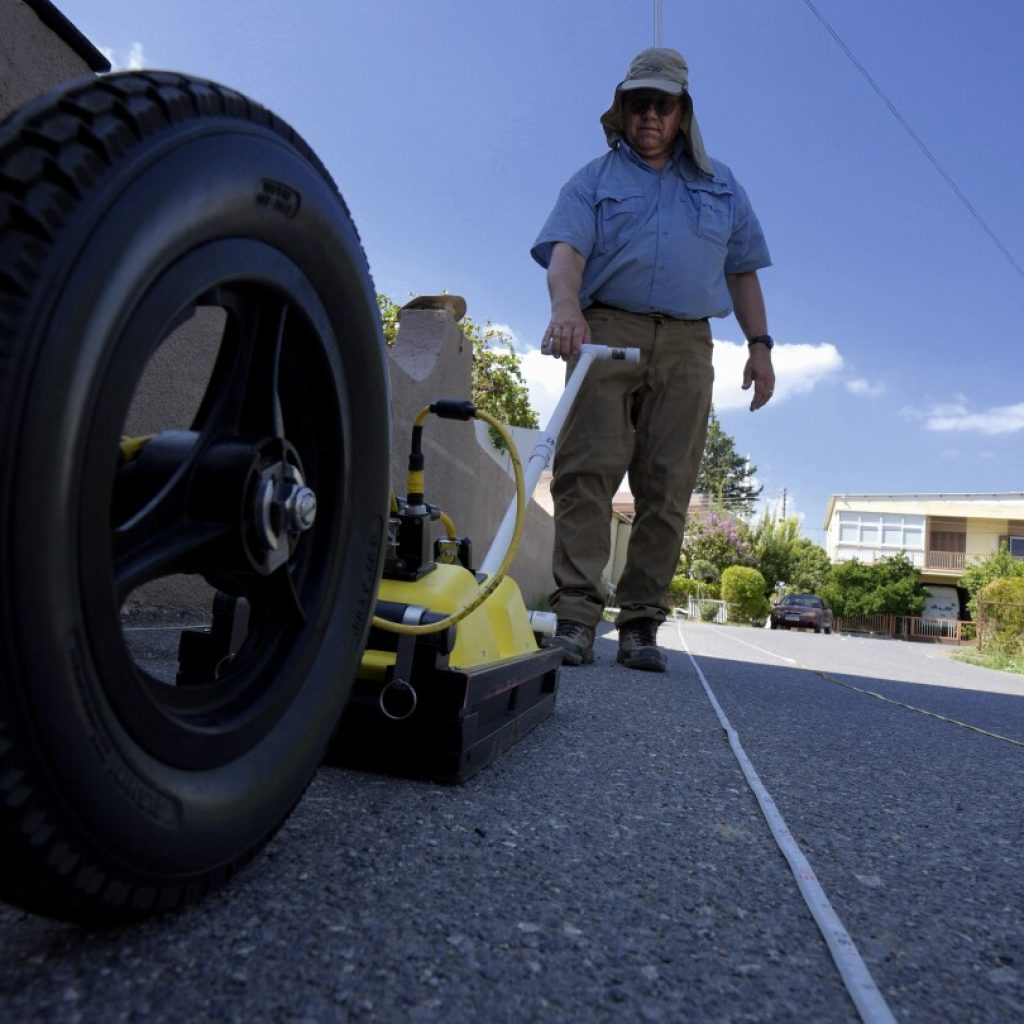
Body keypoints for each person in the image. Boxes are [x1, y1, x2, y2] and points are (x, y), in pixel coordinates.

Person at [531, 47, 775, 672]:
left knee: (668, 483)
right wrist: (567, 309)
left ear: (682, 111)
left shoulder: (723, 186)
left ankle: (641, 623)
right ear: (622, 108)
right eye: (636, 103)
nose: (648, 115)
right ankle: (576, 619)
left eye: (660, 104)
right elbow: (566, 255)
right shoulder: (594, 180)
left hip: (690, 343)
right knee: (584, 473)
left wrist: (760, 346)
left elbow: (742, 272)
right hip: (605, 327)